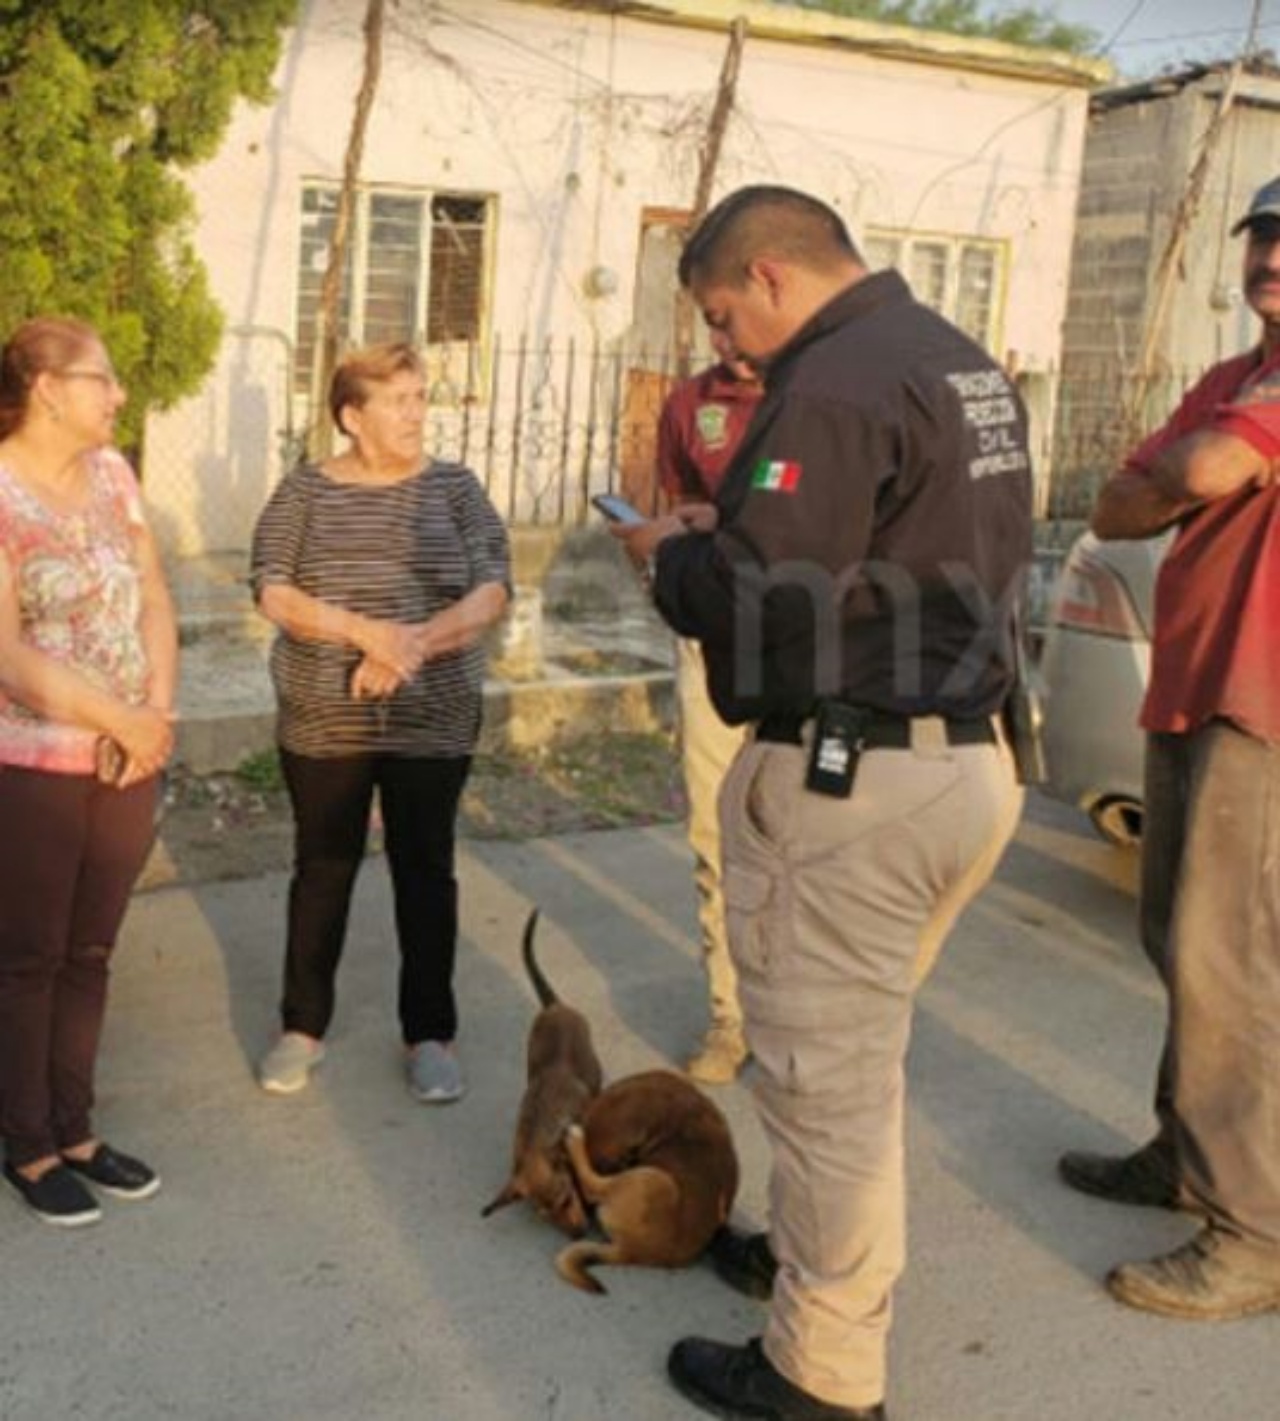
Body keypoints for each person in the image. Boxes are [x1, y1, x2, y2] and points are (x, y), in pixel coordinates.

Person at [614, 187, 1031, 1421]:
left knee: (821, 1086)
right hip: (961, 760)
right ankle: (818, 1282)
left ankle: (820, 1373)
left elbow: (761, 598)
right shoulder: (955, 362)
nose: (724, 344)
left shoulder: (834, 378)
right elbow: (883, 546)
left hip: (857, 781)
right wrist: (729, 521)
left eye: (721, 312)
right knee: (854, 1066)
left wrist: (672, 555)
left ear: (767, 272)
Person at [1056, 175, 1280, 1321]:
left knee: (1225, 958)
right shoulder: (1234, 379)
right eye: (1262, 237)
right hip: (1191, 683)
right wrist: (1200, 461)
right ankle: (1180, 1150)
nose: (1271, 258)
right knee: (1171, 933)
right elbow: (1110, 502)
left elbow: (1185, 477)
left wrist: (1194, 466)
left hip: (1261, 702)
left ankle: (1252, 1230)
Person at [250, 342, 510, 1105]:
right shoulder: (303, 491)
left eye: (420, 397)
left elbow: (494, 588)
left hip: (433, 719)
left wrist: (408, 647)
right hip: (325, 719)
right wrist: (368, 632)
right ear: (351, 416)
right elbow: (271, 589)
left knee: (425, 869)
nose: (416, 413)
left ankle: (429, 1031)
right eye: (397, 400)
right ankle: (302, 1026)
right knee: (323, 866)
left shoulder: (456, 489)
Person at [0, 316, 177, 1228]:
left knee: (93, 950)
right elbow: (7, 656)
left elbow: (152, 594)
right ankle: (25, 1139)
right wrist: (121, 718)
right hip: (33, 762)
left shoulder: (114, 476)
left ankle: (75, 1127)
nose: (116, 395)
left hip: (127, 754)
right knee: (29, 956)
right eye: (100, 379)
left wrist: (157, 719)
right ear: (44, 388)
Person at [656, 328, 763, 1083]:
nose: (727, 338)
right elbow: (681, 512)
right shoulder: (691, 404)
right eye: (712, 321)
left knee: (811, 841)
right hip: (712, 640)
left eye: (736, 314)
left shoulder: (824, 396)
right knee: (717, 834)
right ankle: (732, 1019)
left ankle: (802, 1016)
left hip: (811, 643)